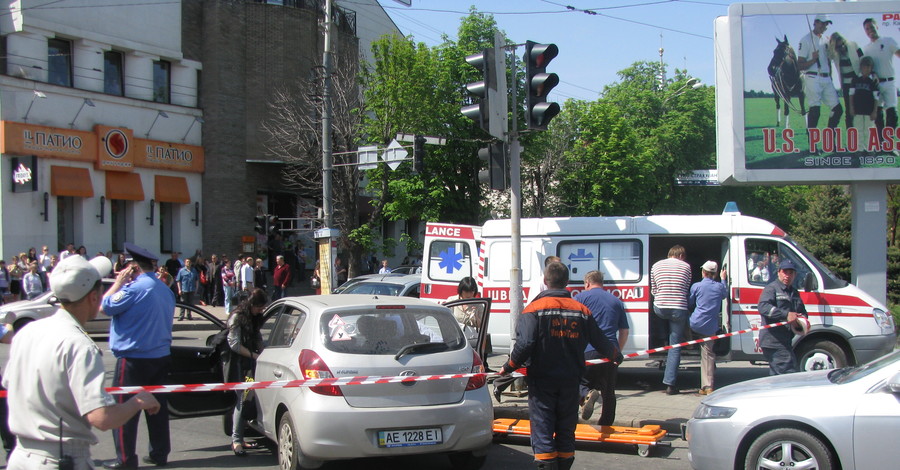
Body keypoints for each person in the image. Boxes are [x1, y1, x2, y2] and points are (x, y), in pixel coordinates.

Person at [3, 255, 160, 470]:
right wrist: (138, 402)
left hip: (21, 455)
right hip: (60, 458)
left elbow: (10, 386)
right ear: (93, 297)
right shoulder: (79, 344)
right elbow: (102, 418)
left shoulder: (28, 331)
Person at [498, 261, 619, 470]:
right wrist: (616, 355)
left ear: (545, 282)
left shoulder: (533, 309)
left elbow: (525, 343)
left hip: (543, 381)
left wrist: (508, 366)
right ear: (567, 283)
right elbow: (600, 340)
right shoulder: (581, 310)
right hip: (571, 381)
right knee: (565, 430)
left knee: (543, 428)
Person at [101, 243, 175, 469]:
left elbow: (106, 306)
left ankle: (125, 459)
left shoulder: (133, 288)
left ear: (133, 267)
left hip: (134, 359)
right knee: (158, 409)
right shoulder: (165, 289)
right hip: (160, 356)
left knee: (124, 411)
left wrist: (118, 283)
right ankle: (159, 454)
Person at [575, 270, 629, 426]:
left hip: (588, 350)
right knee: (609, 392)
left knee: (578, 383)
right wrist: (617, 351)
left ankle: (587, 396)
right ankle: (605, 424)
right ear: (602, 283)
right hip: (611, 351)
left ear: (587, 283)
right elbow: (624, 331)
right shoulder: (616, 301)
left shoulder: (580, 298)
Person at [224, 288, 268, 456]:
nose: (261, 310)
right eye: (260, 307)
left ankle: (240, 439)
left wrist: (262, 353)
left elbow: (257, 338)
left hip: (249, 364)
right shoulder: (237, 317)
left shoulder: (254, 317)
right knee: (242, 400)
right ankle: (236, 441)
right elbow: (234, 344)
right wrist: (254, 355)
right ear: (252, 304)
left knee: (246, 398)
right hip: (238, 365)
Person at [650, 245, 691, 395]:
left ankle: (661, 338)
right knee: (675, 346)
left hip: (660, 306)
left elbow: (653, 290)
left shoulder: (656, 265)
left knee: (659, 312)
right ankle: (670, 384)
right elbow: (686, 289)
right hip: (678, 308)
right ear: (681, 255)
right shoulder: (686, 266)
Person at [798, 14, 842, 147]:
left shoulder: (826, 39)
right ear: (815, 23)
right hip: (812, 77)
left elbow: (829, 61)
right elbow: (799, 65)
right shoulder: (805, 40)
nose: (825, 26)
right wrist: (812, 59)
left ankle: (829, 140)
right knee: (815, 111)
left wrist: (830, 76)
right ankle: (813, 145)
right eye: (823, 23)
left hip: (826, 78)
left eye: (827, 24)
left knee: (838, 109)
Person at [757, 259, 807, 376]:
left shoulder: (794, 293)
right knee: (788, 373)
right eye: (785, 272)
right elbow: (763, 307)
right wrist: (786, 315)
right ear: (779, 272)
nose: (787, 276)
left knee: (778, 377)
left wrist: (799, 322)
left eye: (791, 273)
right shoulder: (772, 288)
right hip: (773, 340)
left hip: (786, 340)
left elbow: (802, 313)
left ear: (795, 275)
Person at [688, 261, 728, 395]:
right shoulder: (719, 287)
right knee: (708, 354)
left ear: (703, 272)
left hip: (695, 323)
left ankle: (688, 343)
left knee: (685, 324)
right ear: (715, 274)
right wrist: (723, 279)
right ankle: (707, 386)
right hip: (710, 327)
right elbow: (725, 294)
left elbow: (690, 302)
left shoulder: (696, 286)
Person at [862, 17, 900, 141]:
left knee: (892, 114)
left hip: (890, 82)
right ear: (865, 31)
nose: (870, 30)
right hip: (876, 84)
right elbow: (867, 66)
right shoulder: (867, 48)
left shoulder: (889, 41)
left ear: (877, 27)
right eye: (867, 29)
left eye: (872, 27)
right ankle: (880, 142)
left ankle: (889, 143)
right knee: (878, 115)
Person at [827, 31, 864, 129]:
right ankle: (851, 140)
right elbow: (827, 55)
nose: (842, 48)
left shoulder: (854, 45)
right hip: (846, 86)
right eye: (838, 47)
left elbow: (863, 59)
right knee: (849, 112)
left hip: (859, 83)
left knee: (861, 110)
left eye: (843, 44)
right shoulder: (834, 54)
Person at [849, 56, 881, 151]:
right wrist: (851, 107)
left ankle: (869, 149)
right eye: (864, 67)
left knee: (869, 129)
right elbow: (851, 94)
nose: (866, 69)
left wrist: (874, 111)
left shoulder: (873, 81)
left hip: (869, 110)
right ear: (861, 67)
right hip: (858, 109)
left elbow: (876, 97)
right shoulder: (855, 79)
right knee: (858, 129)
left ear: (871, 68)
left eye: (868, 67)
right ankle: (859, 149)